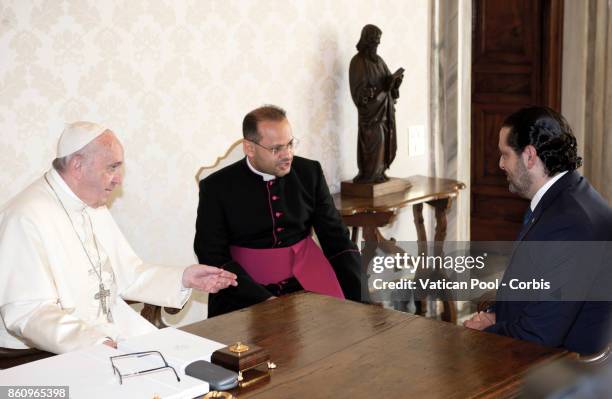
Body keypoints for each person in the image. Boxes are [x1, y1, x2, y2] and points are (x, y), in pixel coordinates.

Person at [0, 122, 237, 354]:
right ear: (77, 165)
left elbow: (127, 274)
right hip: (49, 352)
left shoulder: (91, 203)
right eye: (111, 168)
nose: (118, 179)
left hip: (112, 331)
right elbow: (27, 311)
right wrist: (91, 343)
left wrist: (183, 278)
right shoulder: (24, 216)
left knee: (193, 360)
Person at [464, 106, 612, 355]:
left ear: (529, 156)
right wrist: (495, 315)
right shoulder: (568, 195)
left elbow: (541, 333)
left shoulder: (570, 224)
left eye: (505, 154)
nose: (501, 164)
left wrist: (485, 334)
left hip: (564, 369)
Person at [194, 105, 363, 317]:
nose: (287, 155)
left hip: (307, 281)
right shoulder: (217, 187)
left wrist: (360, 297)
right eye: (276, 149)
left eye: (290, 144)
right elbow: (211, 254)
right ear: (250, 148)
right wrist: (264, 300)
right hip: (243, 290)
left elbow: (336, 238)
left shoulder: (309, 173)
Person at [349, 24, 403, 183]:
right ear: (366, 41)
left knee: (386, 140)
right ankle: (370, 175)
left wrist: (395, 84)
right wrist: (374, 91)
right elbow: (358, 93)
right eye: (373, 43)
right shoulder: (357, 62)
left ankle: (380, 172)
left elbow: (388, 82)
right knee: (376, 140)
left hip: (385, 111)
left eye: (378, 43)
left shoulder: (379, 61)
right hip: (371, 115)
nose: (376, 47)